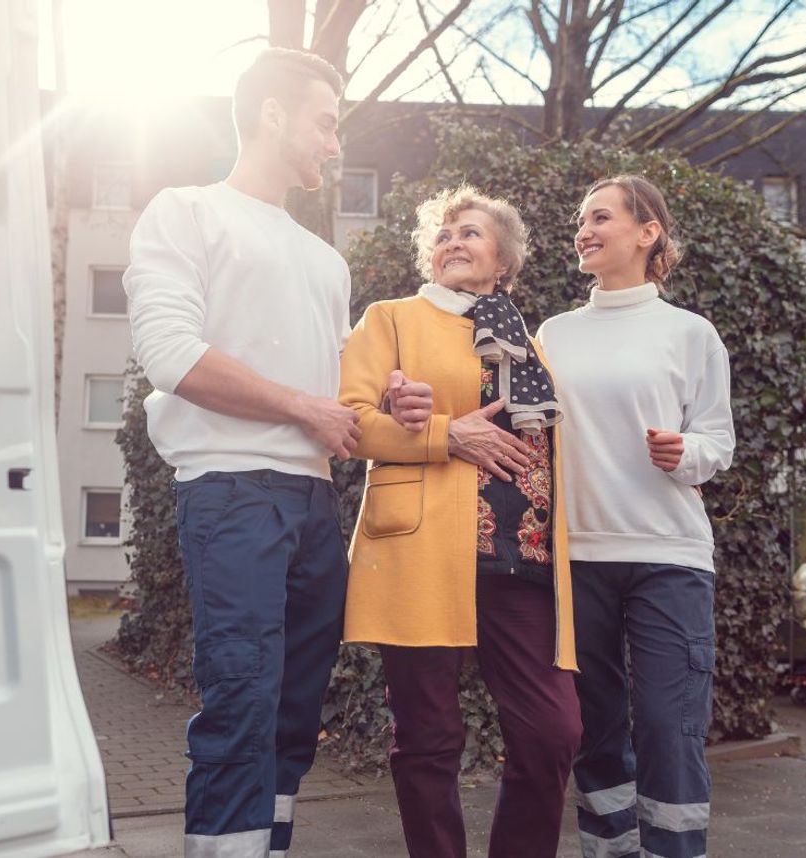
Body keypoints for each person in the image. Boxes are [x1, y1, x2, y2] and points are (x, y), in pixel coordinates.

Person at [123, 48, 429, 858]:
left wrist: (384, 400)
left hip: (312, 503)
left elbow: (336, 393)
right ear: (270, 114)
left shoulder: (326, 261)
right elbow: (171, 355)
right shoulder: (184, 211)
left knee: (295, 709)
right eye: (326, 123)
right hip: (228, 491)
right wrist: (304, 406)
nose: (335, 144)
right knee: (242, 698)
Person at [339, 186, 582, 858]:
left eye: (470, 233)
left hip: (522, 560)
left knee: (552, 732)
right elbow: (350, 423)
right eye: (443, 233)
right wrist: (444, 435)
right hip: (421, 549)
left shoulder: (527, 342)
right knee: (429, 737)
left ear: (502, 261)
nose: (452, 242)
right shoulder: (390, 319)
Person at [537, 175, 735, 858]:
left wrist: (686, 453)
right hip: (576, 557)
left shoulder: (689, 333)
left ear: (647, 232)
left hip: (667, 556)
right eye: (580, 219)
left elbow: (718, 442)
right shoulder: (552, 334)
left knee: (664, 724)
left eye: (600, 217)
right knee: (592, 728)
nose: (583, 230)